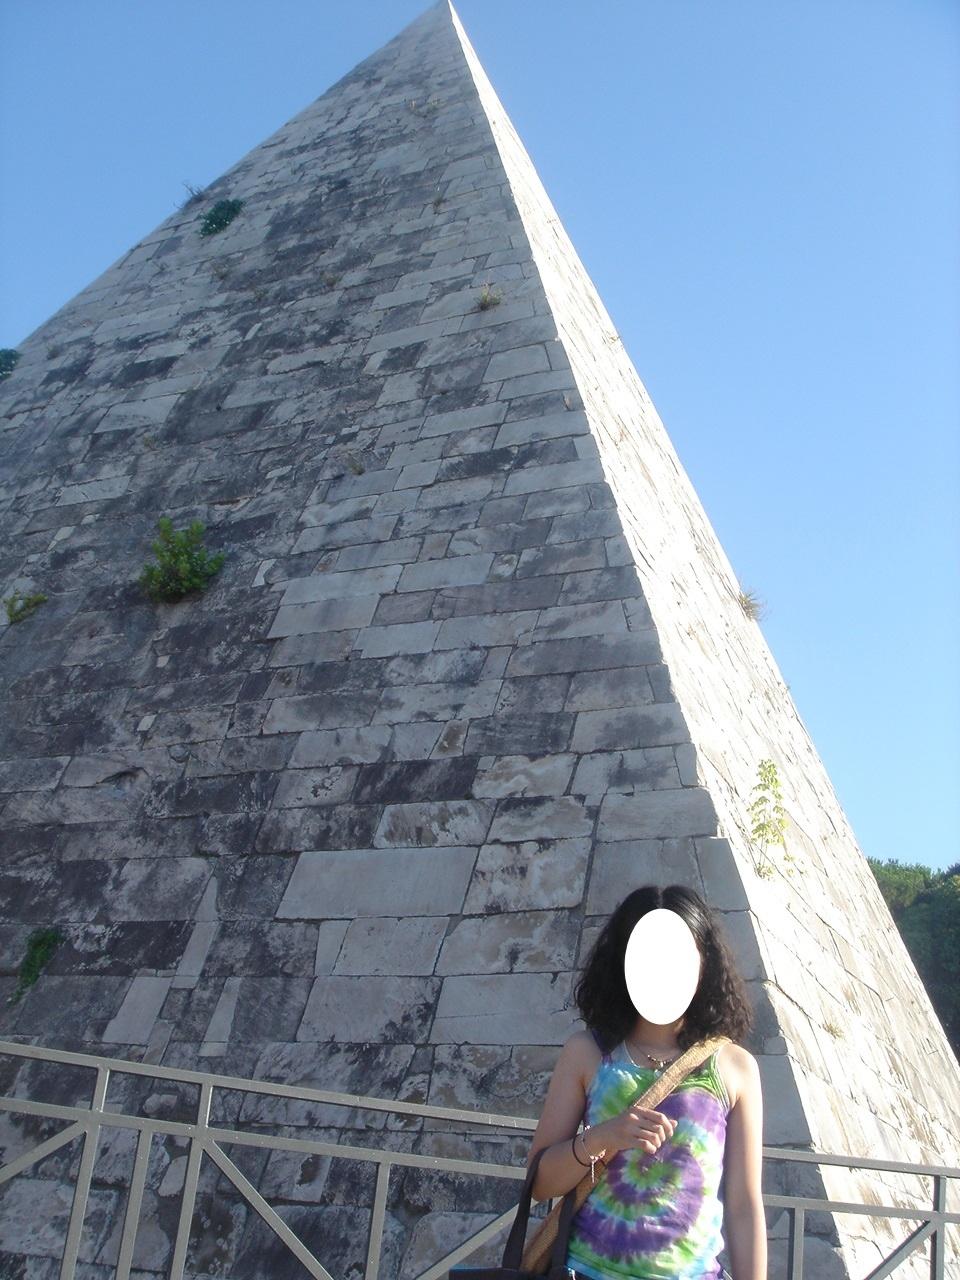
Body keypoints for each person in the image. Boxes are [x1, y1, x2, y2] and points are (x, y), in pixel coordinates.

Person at [525, 884, 766, 1280]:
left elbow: (744, 1206)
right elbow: (540, 1183)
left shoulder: (735, 1067)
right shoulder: (586, 1053)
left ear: (704, 962)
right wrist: (602, 1138)